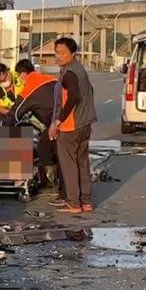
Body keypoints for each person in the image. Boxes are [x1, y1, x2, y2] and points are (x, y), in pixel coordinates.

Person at [48, 37, 97, 213]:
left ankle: (74, 203)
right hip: (85, 124)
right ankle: (86, 201)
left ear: (73, 54)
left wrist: (57, 121)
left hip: (71, 126)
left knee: (69, 165)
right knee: (82, 163)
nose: (58, 56)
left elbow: (74, 97)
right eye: (56, 52)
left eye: (62, 53)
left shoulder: (69, 73)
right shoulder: (80, 69)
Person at [3, 59, 60, 190]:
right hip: (68, 120)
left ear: (23, 74)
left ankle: (49, 181)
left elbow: (16, 113)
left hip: (55, 124)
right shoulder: (50, 79)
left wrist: (4, 127)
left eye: (19, 76)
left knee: (43, 149)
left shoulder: (30, 87)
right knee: (57, 150)